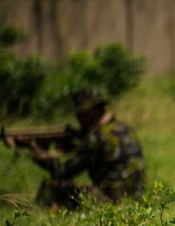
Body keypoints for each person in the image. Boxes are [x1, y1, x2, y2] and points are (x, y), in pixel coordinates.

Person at [12, 88, 146, 210]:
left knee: (50, 185)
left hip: (111, 203)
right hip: (136, 202)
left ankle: (45, 216)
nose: (80, 119)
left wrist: (35, 149)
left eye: (84, 114)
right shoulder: (126, 129)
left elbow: (63, 171)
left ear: (97, 110)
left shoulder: (97, 137)